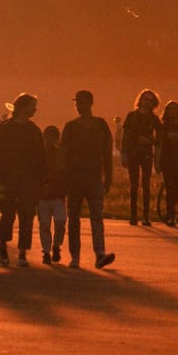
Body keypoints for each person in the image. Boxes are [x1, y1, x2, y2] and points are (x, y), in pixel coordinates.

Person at [61, 89, 116, 270]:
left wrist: (108, 176)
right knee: (74, 218)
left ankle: (99, 253)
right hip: (74, 178)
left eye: (81, 102)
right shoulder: (70, 126)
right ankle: (75, 256)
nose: (78, 105)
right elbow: (63, 155)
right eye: (76, 102)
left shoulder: (101, 125)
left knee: (96, 217)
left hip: (93, 178)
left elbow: (107, 153)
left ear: (90, 103)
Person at [0, 93, 46, 266]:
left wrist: (40, 179)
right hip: (9, 178)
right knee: (7, 213)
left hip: (28, 179)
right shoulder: (4, 128)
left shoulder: (34, 130)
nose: (35, 109)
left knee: (26, 216)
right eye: (32, 106)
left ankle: (23, 251)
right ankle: (2, 247)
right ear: (23, 107)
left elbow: (40, 157)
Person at [121, 89, 160, 227]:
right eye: (145, 99)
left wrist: (150, 141)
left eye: (150, 100)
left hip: (146, 154)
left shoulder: (154, 119)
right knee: (134, 184)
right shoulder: (131, 116)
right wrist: (123, 153)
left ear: (154, 103)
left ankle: (145, 215)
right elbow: (125, 136)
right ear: (140, 101)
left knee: (146, 185)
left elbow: (160, 137)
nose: (147, 102)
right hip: (133, 153)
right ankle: (133, 215)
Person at [37, 125, 68, 263]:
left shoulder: (61, 154)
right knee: (44, 224)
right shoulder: (38, 155)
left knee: (60, 222)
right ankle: (46, 251)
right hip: (43, 195)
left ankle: (55, 245)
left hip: (57, 194)